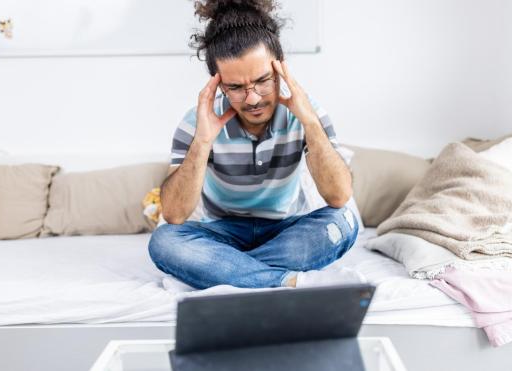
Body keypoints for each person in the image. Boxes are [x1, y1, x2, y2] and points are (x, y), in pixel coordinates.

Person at [148, 0, 362, 289]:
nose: (252, 98)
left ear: (281, 69)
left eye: (263, 80)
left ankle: (222, 270)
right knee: (164, 241)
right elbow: (174, 214)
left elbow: (338, 196)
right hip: (222, 231)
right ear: (218, 83)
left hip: (285, 229)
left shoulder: (307, 112)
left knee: (344, 222)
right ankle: (284, 280)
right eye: (235, 88)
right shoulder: (197, 122)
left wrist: (310, 123)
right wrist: (203, 141)